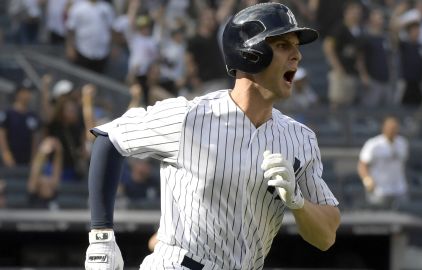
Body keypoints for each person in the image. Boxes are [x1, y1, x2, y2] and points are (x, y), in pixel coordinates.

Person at [84, 3, 340, 270]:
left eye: (296, 46)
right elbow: (109, 138)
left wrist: (298, 202)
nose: (297, 55)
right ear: (250, 52)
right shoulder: (189, 117)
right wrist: (101, 237)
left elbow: (326, 236)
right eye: (283, 45)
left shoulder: (300, 139)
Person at [357, 116, 409, 209]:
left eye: (394, 128)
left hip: (399, 189)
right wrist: (367, 179)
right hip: (380, 189)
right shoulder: (373, 144)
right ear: (384, 128)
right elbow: (362, 164)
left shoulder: (402, 143)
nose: (392, 130)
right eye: (390, 128)